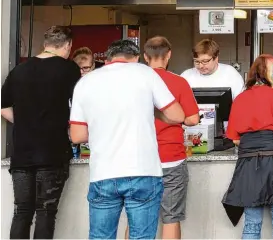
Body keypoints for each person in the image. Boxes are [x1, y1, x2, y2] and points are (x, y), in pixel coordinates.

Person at [69, 39, 185, 239]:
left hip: (103, 173)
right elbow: (178, 116)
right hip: (143, 170)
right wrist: (153, 112)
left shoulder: (86, 82)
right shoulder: (146, 73)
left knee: (101, 236)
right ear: (138, 58)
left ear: (107, 60)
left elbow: (77, 136)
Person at [1, 26, 81, 239]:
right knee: (46, 212)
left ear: (45, 44)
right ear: (67, 46)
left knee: (22, 211)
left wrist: (27, 122)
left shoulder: (19, 70)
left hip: (22, 154)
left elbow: (3, 106)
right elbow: (82, 104)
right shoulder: (69, 69)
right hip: (52, 152)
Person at [221, 54, 273, 239]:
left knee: (252, 221)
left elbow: (235, 139)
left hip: (248, 163)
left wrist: (253, 143)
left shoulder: (240, 99)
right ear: (272, 75)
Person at [124, 36, 200, 239]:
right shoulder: (179, 82)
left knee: (136, 216)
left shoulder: (132, 82)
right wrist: (175, 119)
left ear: (145, 57)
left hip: (138, 158)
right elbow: (192, 119)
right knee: (171, 217)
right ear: (169, 55)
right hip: (171, 158)